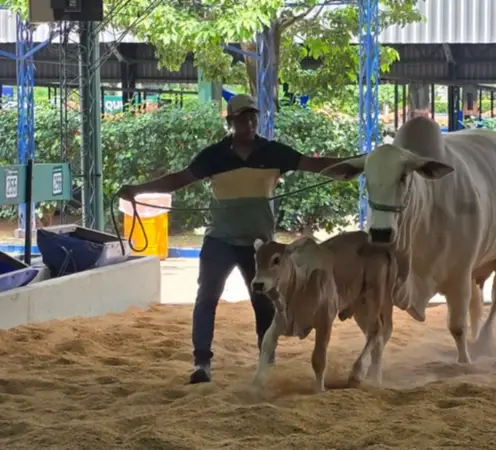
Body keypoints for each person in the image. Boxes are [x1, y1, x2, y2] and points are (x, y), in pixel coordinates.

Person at [117, 94, 351, 384]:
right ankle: (202, 363)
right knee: (207, 297)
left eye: (253, 117)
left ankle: (266, 360)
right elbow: (178, 179)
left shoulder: (273, 152)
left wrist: (358, 165)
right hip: (220, 241)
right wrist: (137, 189)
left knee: (264, 302)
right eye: (242, 118)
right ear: (230, 121)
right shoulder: (214, 156)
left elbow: (316, 165)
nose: (249, 123)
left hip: (258, 246)